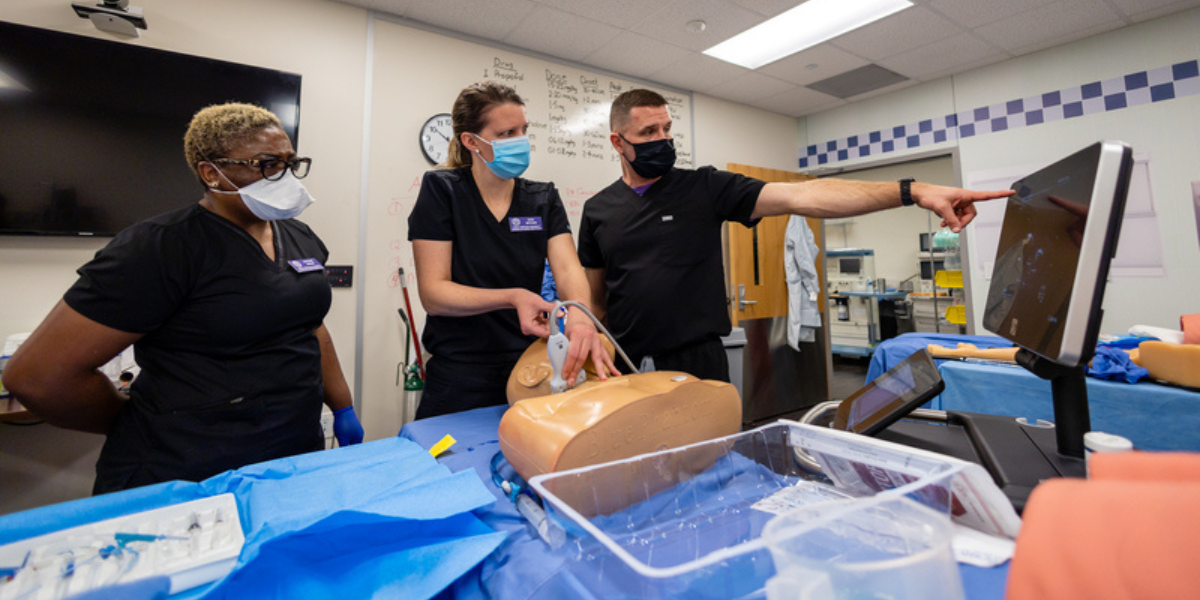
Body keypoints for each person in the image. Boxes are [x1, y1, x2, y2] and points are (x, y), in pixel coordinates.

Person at [1, 103, 363, 494]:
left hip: (290, 451)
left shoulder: (300, 236)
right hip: (190, 467)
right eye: (266, 164)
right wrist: (137, 423)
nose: (283, 176)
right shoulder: (160, 247)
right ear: (212, 173)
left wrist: (342, 406)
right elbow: (37, 376)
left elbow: (311, 327)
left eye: (290, 163)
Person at [578, 89, 1015, 382]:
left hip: (699, 364)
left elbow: (806, 194)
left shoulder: (704, 188)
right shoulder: (598, 210)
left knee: (707, 469)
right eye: (649, 133)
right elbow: (596, 302)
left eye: (668, 129)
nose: (663, 140)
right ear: (619, 142)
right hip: (626, 363)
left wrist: (912, 191)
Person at [408, 82, 616, 419]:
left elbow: (567, 270)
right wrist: (513, 297)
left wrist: (580, 317)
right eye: (506, 133)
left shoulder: (542, 198)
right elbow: (434, 293)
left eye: (523, 130)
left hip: (530, 366)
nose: (520, 141)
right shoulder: (443, 192)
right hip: (460, 376)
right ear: (470, 141)